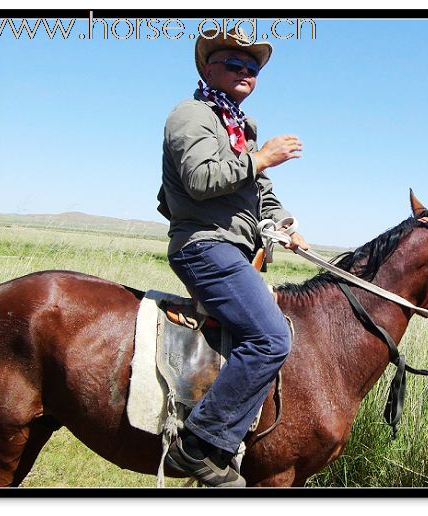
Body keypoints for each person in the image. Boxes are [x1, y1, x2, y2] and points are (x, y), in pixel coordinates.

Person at [158, 27, 308, 488]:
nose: (246, 72)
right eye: (234, 64)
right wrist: (261, 158)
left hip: (237, 249)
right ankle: (198, 445)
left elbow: (261, 193)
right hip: (204, 246)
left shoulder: (240, 127)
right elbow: (201, 179)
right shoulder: (191, 115)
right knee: (270, 337)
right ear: (208, 68)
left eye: (253, 68)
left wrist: (284, 225)